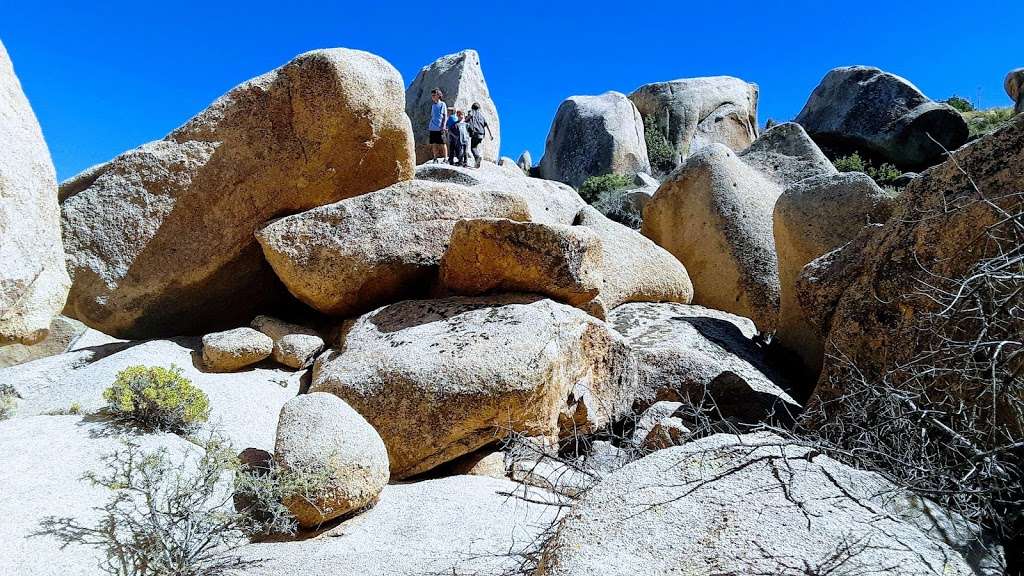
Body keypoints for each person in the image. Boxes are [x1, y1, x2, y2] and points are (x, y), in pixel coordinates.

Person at [465, 102, 495, 168]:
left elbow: (466, 120)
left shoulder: (472, 113)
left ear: (472, 108)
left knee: (473, 148)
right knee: (475, 146)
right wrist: (491, 135)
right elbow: (486, 125)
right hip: (481, 134)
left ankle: (477, 157)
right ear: (479, 108)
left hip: (475, 133)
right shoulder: (481, 116)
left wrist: (465, 119)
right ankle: (477, 161)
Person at [427, 89, 448, 163]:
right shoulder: (433, 106)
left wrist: (443, 126)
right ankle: (435, 158)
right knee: (434, 144)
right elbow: (432, 116)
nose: (432, 97)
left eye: (434, 95)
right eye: (432, 95)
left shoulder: (442, 104)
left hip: (440, 128)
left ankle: (445, 158)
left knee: (443, 143)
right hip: (433, 127)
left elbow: (445, 116)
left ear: (438, 96)